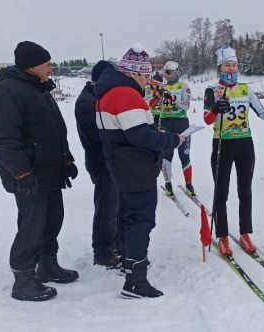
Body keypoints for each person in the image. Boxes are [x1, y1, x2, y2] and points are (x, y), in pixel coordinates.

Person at [0, 41, 79, 301]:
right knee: (32, 225)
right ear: (32, 65)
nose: (51, 68)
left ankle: (47, 265)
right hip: (29, 174)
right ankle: (23, 278)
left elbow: (55, 130)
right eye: (47, 63)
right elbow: (4, 139)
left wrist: (68, 160)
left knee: (52, 219)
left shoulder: (39, 89)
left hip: (50, 170)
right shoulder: (7, 92)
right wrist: (22, 173)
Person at [95, 44, 185, 298]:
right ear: (133, 73)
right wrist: (170, 140)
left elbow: (132, 131)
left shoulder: (109, 92)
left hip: (122, 165)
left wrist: (157, 135)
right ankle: (136, 279)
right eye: (145, 76)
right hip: (135, 167)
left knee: (127, 214)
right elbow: (139, 136)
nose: (148, 81)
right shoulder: (125, 94)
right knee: (140, 219)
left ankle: (128, 260)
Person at [203, 46, 264, 257]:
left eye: (234, 65)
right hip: (223, 144)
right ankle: (223, 236)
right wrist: (216, 109)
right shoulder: (212, 89)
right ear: (219, 67)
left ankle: (245, 233)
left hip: (244, 144)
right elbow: (207, 119)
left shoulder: (245, 89)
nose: (231, 69)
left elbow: (262, 113)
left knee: (245, 192)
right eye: (227, 65)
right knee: (221, 192)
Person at [74, 60, 122, 268]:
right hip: (101, 162)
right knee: (106, 209)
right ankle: (102, 252)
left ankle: (115, 245)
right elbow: (101, 133)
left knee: (115, 207)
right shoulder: (87, 102)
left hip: (110, 160)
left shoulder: (98, 97)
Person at [157, 61, 195, 196]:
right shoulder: (162, 86)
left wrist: (173, 98)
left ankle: (189, 184)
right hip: (166, 123)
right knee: (167, 155)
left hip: (181, 123)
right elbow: (154, 105)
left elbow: (186, 106)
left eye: (168, 72)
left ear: (176, 72)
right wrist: (158, 95)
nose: (166, 75)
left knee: (184, 154)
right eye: (164, 72)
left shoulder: (184, 86)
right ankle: (168, 184)